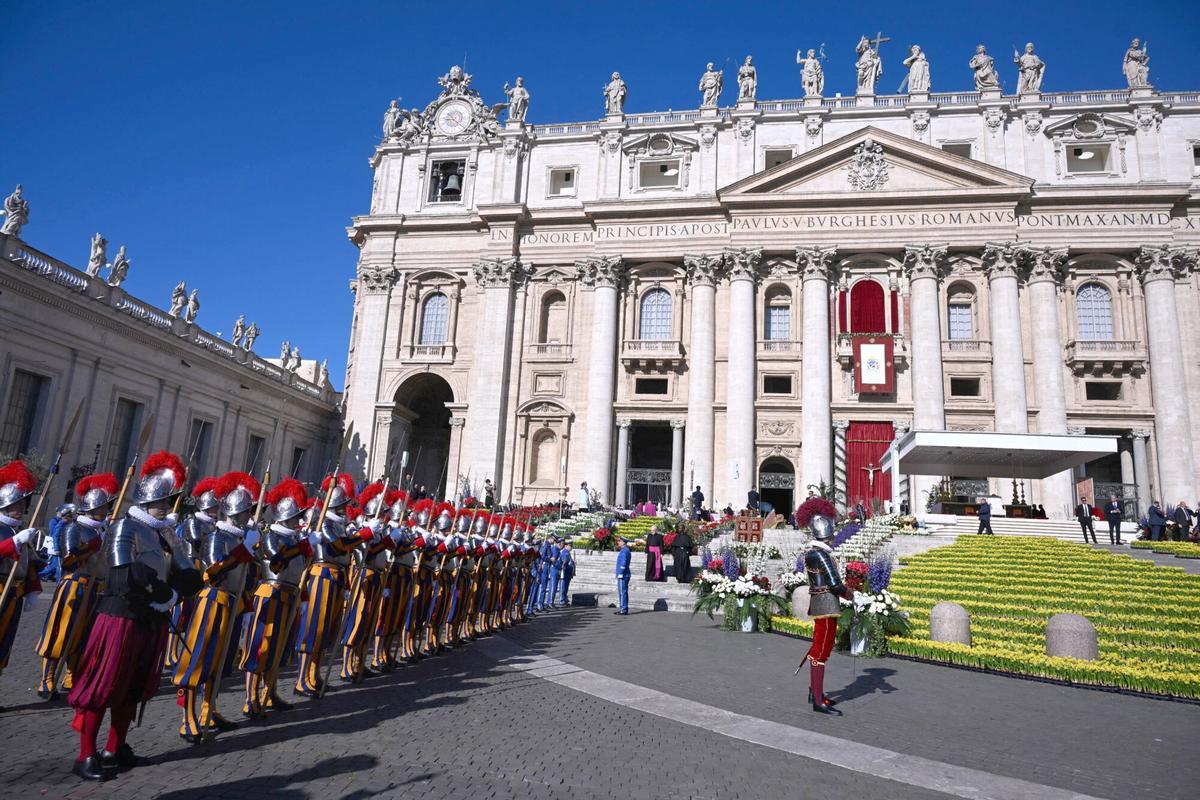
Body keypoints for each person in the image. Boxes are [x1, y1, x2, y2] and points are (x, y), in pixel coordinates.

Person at [68, 451, 202, 780]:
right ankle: (86, 753)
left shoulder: (167, 534)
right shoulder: (124, 528)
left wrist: (176, 592)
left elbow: (188, 573)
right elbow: (123, 573)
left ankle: (116, 746)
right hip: (121, 616)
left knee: (134, 685)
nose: (169, 507)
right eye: (164, 501)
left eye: (171, 501)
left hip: (152, 619)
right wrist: (161, 591)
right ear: (148, 501)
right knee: (103, 684)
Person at [172, 471, 261, 743]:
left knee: (221, 662)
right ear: (235, 512)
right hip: (213, 601)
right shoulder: (216, 537)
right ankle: (187, 716)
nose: (249, 516)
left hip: (233, 603)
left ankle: (209, 710)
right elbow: (212, 572)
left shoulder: (240, 538)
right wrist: (243, 551)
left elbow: (249, 575)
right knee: (199, 658)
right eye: (246, 511)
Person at [36, 474, 116, 700]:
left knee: (84, 635)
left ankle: (72, 676)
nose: (106, 510)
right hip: (75, 585)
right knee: (60, 632)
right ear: (92, 507)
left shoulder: (104, 531)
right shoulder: (75, 528)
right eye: (103, 507)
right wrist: (92, 546)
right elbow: (69, 559)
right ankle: (47, 678)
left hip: (96, 587)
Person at [241, 478, 311, 719]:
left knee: (280, 649)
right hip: (271, 594)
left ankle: (268, 692)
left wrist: (303, 596)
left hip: (289, 595)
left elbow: (299, 574)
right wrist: (297, 550)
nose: (298, 520)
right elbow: (276, 563)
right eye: (295, 517)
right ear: (284, 517)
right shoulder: (272, 535)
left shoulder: (295, 540)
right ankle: (250, 698)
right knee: (261, 647)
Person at [294, 472, 365, 697]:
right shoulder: (323, 522)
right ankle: (301, 679)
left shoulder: (341, 524)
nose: (345, 507)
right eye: (342, 503)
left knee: (328, 630)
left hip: (337, 576)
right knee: (314, 627)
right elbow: (337, 547)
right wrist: (363, 535)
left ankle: (314, 674)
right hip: (322, 575)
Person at [801, 514, 852, 715]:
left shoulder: (814, 552)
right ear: (827, 535)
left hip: (822, 603)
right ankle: (818, 700)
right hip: (826, 604)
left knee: (820, 646)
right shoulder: (821, 554)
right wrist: (853, 596)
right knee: (822, 649)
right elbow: (834, 584)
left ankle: (816, 692)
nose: (834, 537)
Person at [0, 460, 43, 692]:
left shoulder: (20, 531)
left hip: (13, 595)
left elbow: (29, 563)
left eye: (23, 504)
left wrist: (33, 589)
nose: (21, 508)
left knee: (4, 644)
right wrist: (14, 542)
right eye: (16, 504)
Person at [614, 537, 631, 615]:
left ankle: (623, 609)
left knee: (622, 593)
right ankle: (624, 608)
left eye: (620, 541)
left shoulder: (624, 551)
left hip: (623, 575)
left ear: (624, 542)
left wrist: (620, 573)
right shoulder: (626, 550)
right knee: (624, 592)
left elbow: (623, 563)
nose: (618, 542)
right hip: (625, 574)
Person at [558, 542, 574, 607]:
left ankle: (564, 599)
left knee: (566, 587)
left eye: (571, 546)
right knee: (563, 587)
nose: (571, 547)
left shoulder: (568, 553)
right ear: (566, 546)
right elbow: (564, 562)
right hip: (565, 572)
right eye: (570, 546)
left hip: (568, 573)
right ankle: (562, 600)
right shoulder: (564, 552)